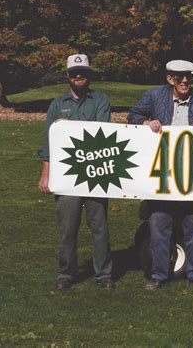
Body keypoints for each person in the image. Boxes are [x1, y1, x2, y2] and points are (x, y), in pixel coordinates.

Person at [127, 60, 193, 290]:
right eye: (179, 77)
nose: (184, 81)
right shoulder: (154, 96)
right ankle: (158, 274)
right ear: (169, 79)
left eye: (188, 77)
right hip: (162, 175)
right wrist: (146, 122)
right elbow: (133, 115)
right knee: (159, 224)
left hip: (191, 174)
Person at [38, 54, 115, 290]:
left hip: (95, 170)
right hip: (67, 174)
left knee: (99, 226)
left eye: (82, 72)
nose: (79, 76)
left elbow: (101, 131)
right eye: (74, 73)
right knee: (67, 227)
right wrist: (45, 173)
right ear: (68, 76)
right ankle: (66, 273)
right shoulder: (57, 104)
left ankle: (103, 274)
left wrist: (67, 127)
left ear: (89, 74)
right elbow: (49, 140)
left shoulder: (100, 100)